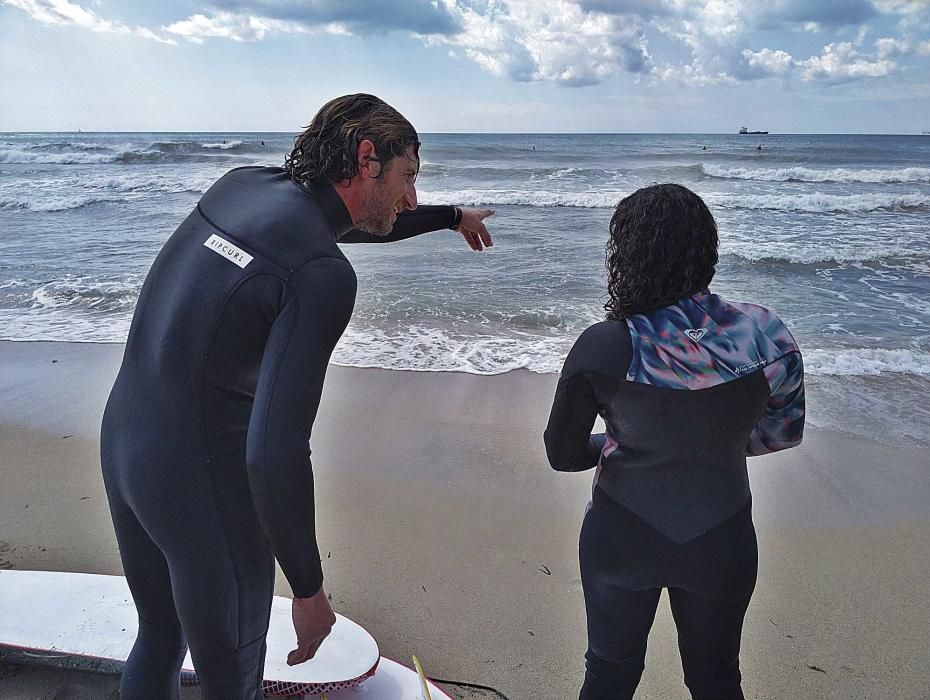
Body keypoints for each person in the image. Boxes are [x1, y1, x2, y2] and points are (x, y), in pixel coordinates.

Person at [100, 93, 494, 699]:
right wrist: (308, 590)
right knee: (231, 679)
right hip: (200, 489)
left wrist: (449, 216)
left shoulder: (243, 187)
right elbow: (273, 449)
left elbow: (340, 227)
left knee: (159, 631)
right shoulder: (322, 276)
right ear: (368, 160)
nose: (411, 197)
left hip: (126, 444)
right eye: (408, 178)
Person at [544, 183, 804, 700]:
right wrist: (708, 446)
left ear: (626, 256)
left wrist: (624, 446)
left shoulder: (606, 344)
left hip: (622, 538)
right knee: (716, 681)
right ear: (708, 250)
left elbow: (563, 453)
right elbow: (781, 432)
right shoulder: (766, 334)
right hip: (722, 537)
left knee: (609, 677)